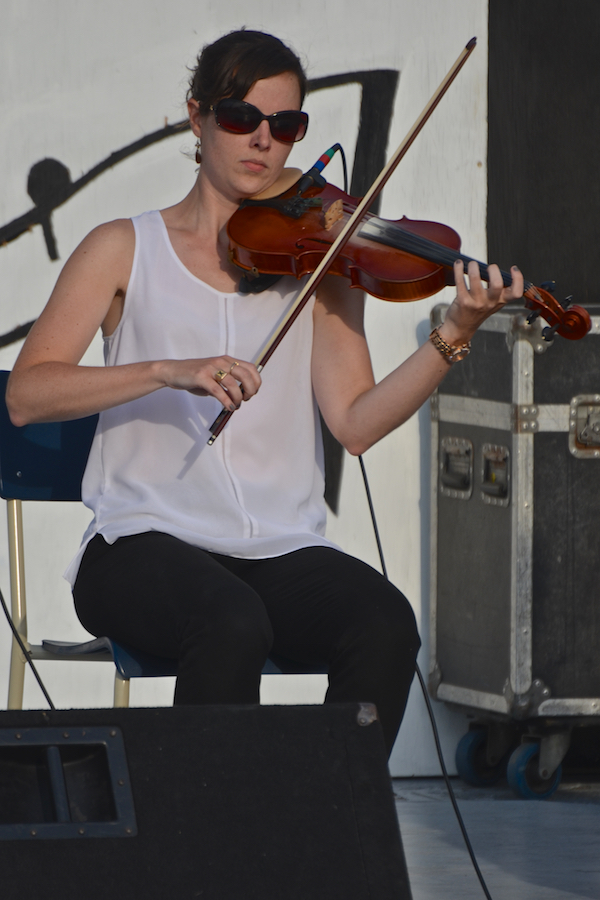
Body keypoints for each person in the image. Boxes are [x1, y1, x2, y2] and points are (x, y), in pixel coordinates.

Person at [6, 30, 523, 756]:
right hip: (137, 540)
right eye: (242, 118)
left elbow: (356, 422)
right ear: (196, 117)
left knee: (384, 622)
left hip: (275, 547)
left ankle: (329, 832)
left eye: (286, 126)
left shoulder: (320, 262)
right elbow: (28, 394)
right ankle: (205, 845)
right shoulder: (122, 248)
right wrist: (166, 369)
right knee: (229, 620)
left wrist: (457, 332)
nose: (264, 141)